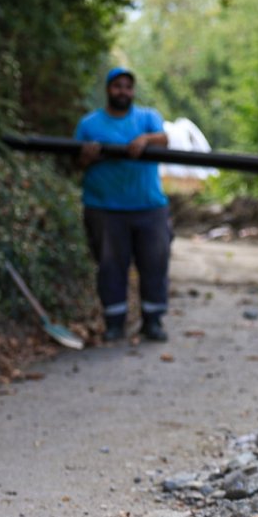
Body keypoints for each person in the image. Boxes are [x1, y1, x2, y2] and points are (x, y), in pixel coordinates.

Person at [75, 67, 172, 342]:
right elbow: (74, 163)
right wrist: (88, 156)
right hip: (105, 208)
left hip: (148, 206)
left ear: (133, 91)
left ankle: (152, 321)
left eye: (127, 87)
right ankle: (114, 323)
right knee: (110, 267)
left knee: (155, 263)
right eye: (117, 86)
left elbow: (165, 140)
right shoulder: (89, 124)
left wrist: (145, 139)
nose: (123, 91)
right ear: (108, 89)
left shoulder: (148, 118)